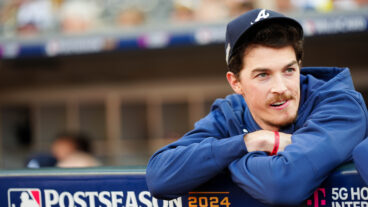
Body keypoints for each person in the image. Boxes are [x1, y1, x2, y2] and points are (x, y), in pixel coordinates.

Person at [146, 8, 368, 205]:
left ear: (299, 66)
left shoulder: (341, 104)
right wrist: (250, 142)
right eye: (263, 75)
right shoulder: (231, 112)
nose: (280, 88)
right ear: (236, 83)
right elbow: (160, 177)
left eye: (289, 70)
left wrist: (220, 160)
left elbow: (283, 186)